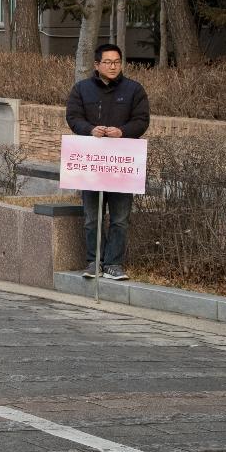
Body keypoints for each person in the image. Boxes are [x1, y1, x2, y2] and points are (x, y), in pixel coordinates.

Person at [66, 43, 151, 281]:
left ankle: (114, 263)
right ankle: (94, 261)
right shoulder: (82, 89)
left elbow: (142, 120)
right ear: (97, 64)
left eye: (117, 62)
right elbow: (73, 117)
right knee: (92, 217)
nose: (113, 66)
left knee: (120, 218)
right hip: (92, 162)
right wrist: (90, 129)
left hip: (122, 162)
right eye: (108, 62)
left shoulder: (134, 90)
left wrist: (122, 132)